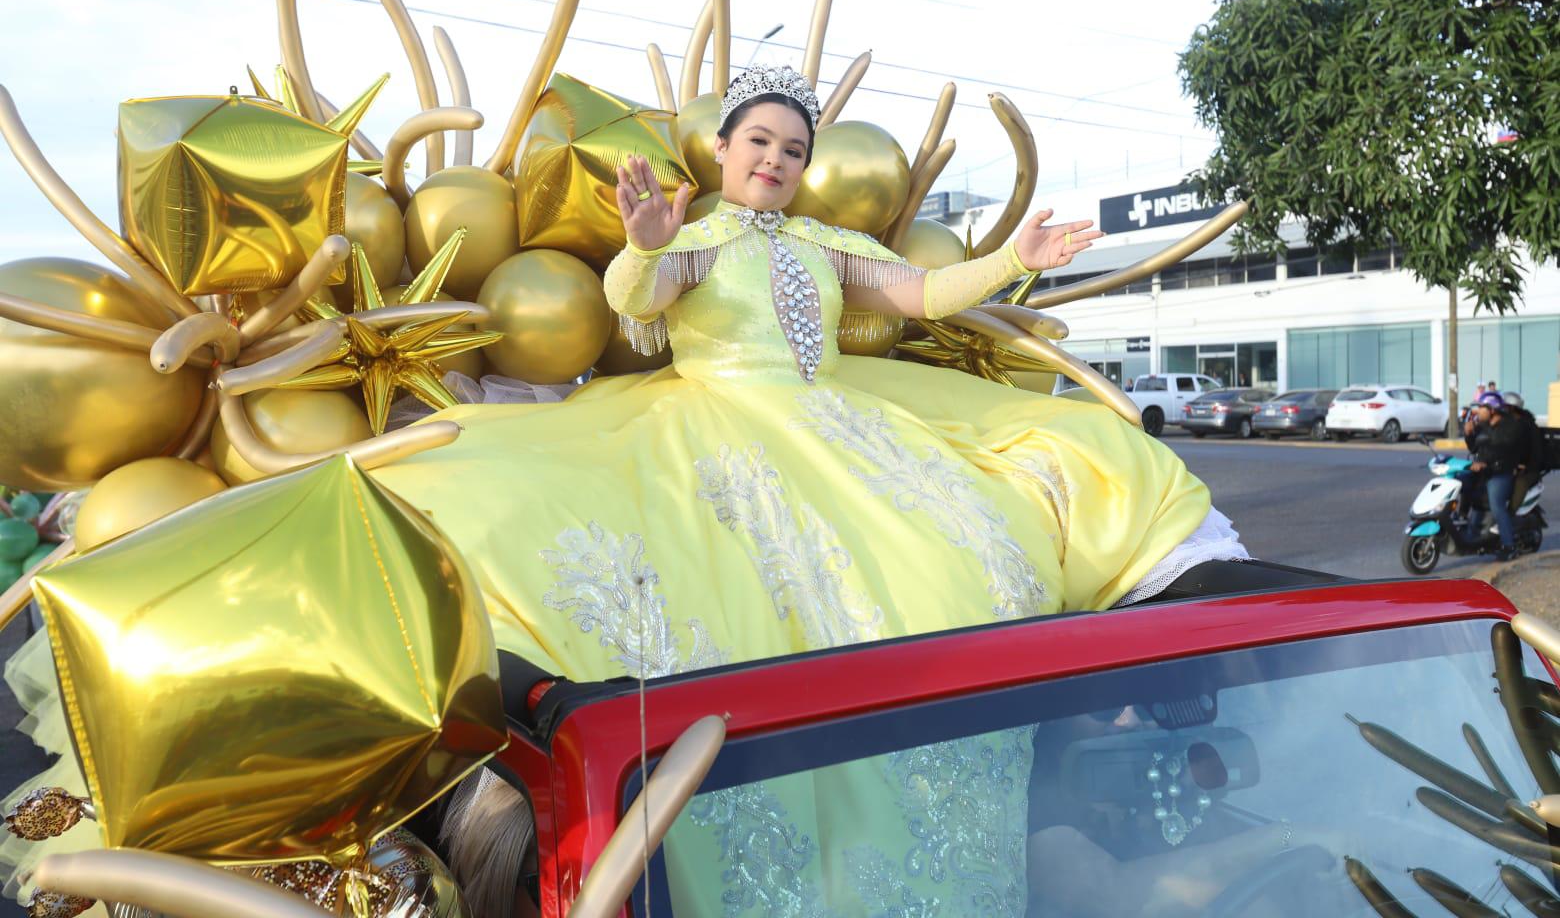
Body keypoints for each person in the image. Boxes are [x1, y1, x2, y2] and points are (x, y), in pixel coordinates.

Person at [4, 66, 1243, 916]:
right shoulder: (692, 235)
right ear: (723, 151)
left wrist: (1012, 259)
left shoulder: (828, 249)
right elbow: (635, 306)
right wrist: (649, 234)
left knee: (956, 556)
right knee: (565, 533)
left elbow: (917, 301)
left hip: (850, 434)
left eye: (793, 148)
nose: (775, 158)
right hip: (708, 421)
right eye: (758, 140)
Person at [1467, 393, 1524, 560]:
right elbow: (1474, 448)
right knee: (1470, 494)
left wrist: (1487, 464)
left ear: (1492, 410)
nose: (1478, 411)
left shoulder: (1509, 426)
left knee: (1497, 504)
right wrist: (1469, 433)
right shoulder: (1484, 426)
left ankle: (1509, 546)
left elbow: (1503, 449)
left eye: (1481, 408)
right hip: (1484, 472)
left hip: (1502, 474)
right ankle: (1473, 535)